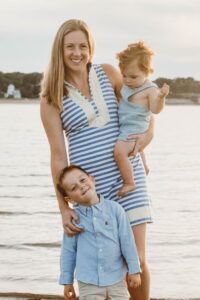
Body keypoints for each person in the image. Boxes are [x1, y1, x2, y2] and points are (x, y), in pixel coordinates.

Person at [40, 19, 154, 300]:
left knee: (136, 259)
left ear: (90, 47)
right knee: (105, 264)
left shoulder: (109, 73)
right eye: (70, 47)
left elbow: (141, 112)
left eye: (82, 46)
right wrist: (63, 208)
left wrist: (147, 137)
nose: (77, 53)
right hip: (91, 190)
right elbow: (58, 157)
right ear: (60, 50)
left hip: (129, 178)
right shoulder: (51, 97)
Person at [57, 164, 141, 300]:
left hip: (117, 277)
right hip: (88, 281)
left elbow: (127, 242)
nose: (81, 186)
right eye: (74, 188)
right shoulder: (73, 220)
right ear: (70, 199)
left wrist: (134, 270)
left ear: (92, 179)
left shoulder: (115, 209)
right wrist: (67, 281)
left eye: (83, 180)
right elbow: (68, 251)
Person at [114, 41, 170, 197]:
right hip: (127, 126)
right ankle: (143, 164)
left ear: (147, 72)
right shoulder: (126, 85)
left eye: (133, 76)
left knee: (119, 152)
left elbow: (155, 110)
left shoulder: (150, 89)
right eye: (124, 75)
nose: (127, 80)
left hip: (135, 129)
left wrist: (161, 97)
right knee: (138, 149)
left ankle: (129, 182)